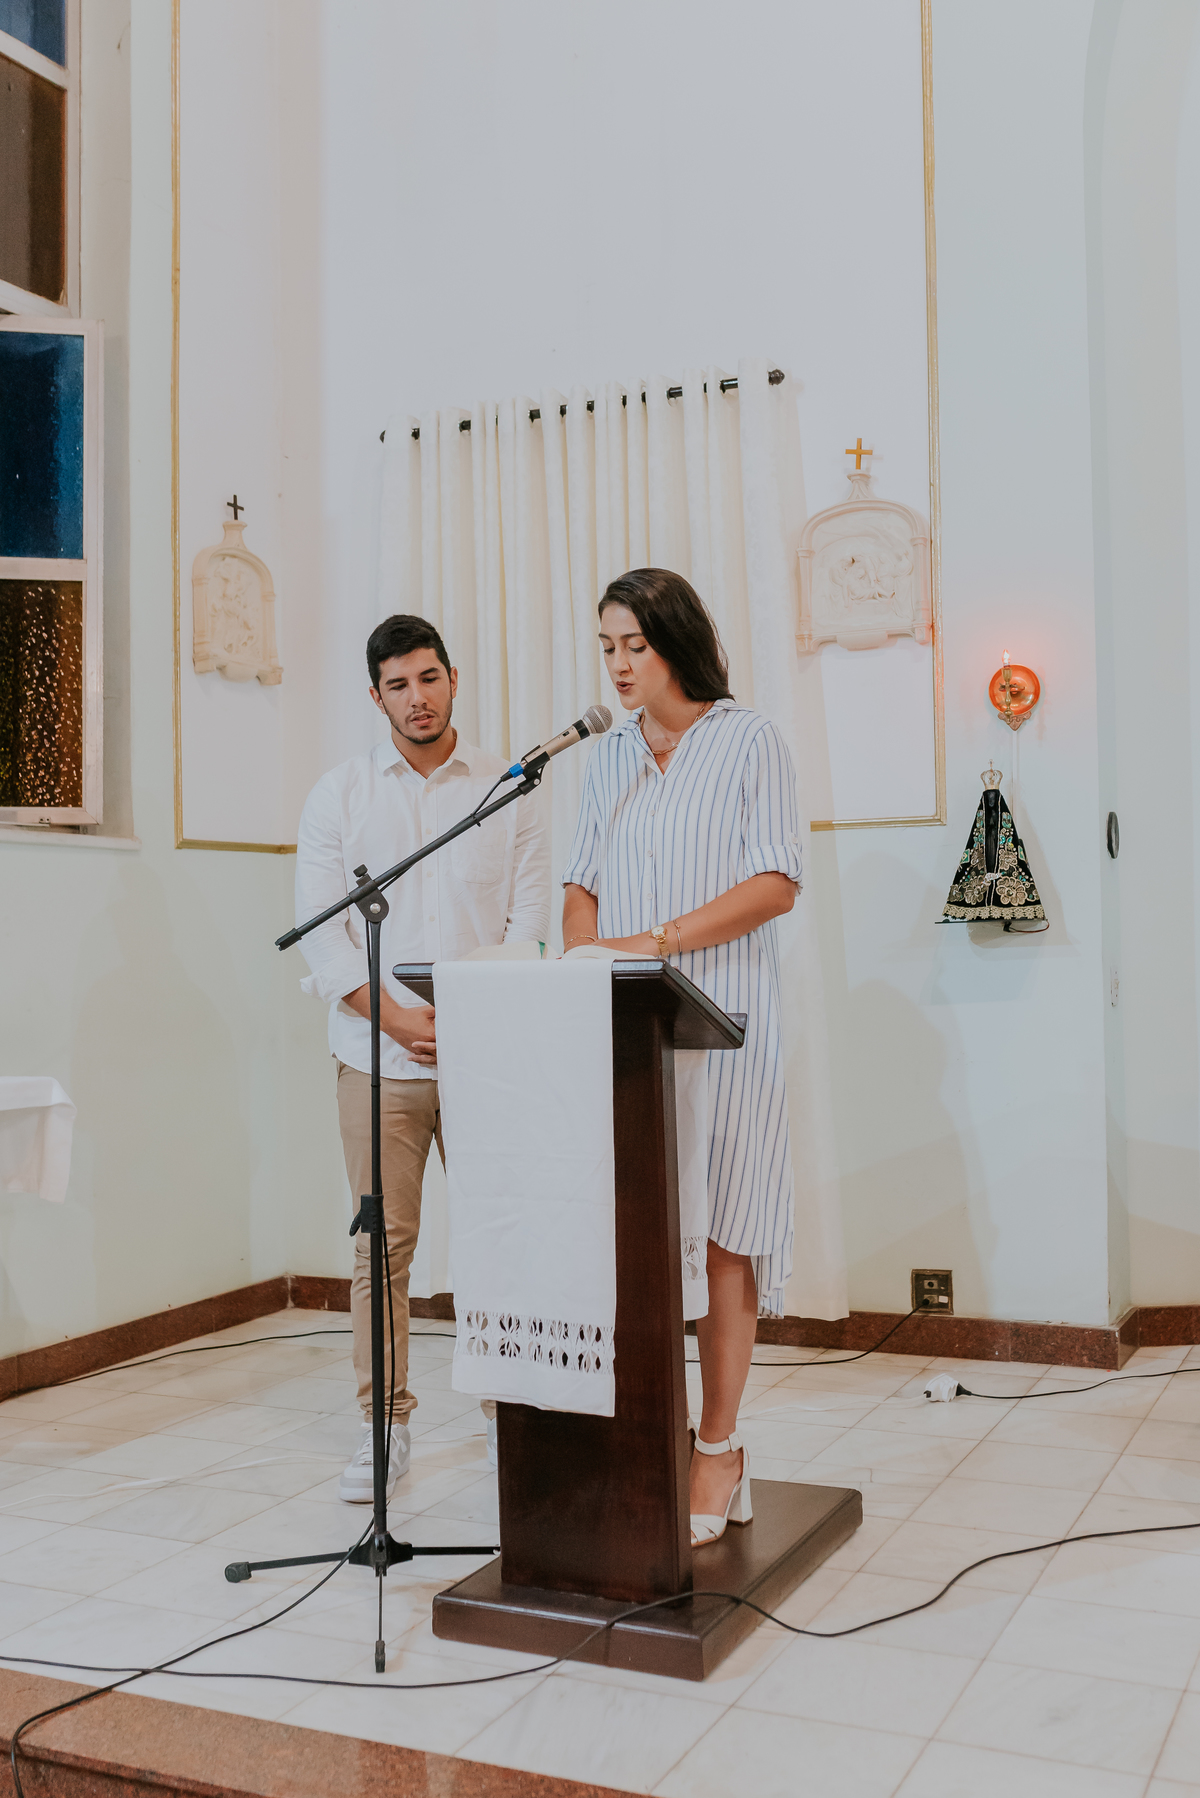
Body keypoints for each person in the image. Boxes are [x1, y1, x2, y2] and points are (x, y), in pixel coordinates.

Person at [561, 568, 800, 1549]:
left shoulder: (749, 740)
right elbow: (580, 882)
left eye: (636, 645)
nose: (619, 665)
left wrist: (655, 941)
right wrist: (586, 961)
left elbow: (776, 881)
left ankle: (719, 1446)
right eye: (607, 646)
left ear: (676, 642)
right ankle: (643, 1435)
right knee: (641, 1238)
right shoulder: (607, 758)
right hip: (631, 1027)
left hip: (729, 1020)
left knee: (725, 1236)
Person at [296, 615, 550, 1501]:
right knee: (382, 1248)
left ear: (453, 679)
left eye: (429, 678)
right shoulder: (340, 796)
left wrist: (477, 1015)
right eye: (398, 685)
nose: (418, 698)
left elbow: (530, 920)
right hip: (377, 1059)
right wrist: (399, 1021)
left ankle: (509, 1418)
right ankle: (385, 1428)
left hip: (489, 1058)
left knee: (502, 1244)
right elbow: (325, 940)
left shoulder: (508, 788)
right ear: (376, 698)